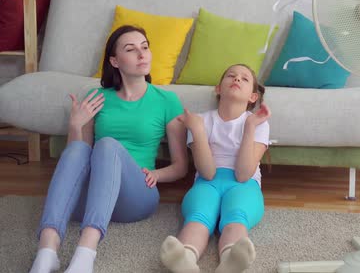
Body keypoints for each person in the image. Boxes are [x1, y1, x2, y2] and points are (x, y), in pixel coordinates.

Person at [29, 25, 189, 273]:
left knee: (107, 145)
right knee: (80, 149)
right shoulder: (97, 97)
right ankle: (46, 254)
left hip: (136, 197)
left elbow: (181, 166)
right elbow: (77, 158)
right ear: (114, 61)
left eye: (145, 47)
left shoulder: (167, 101)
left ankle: (85, 255)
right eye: (131, 49)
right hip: (91, 197)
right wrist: (75, 125)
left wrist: (156, 175)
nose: (142, 54)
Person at [160, 64, 271, 273]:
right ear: (218, 89)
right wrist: (197, 130)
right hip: (207, 182)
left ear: (253, 98)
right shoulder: (200, 120)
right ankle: (185, 258)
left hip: (243, 185)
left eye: (244, 79)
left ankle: (230, 261)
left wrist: (249, 128)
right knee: (198, 217)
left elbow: (243, 174)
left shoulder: (258, 123)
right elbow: (208, 172)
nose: (237, 79)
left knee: (236, 217)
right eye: (231, 75)